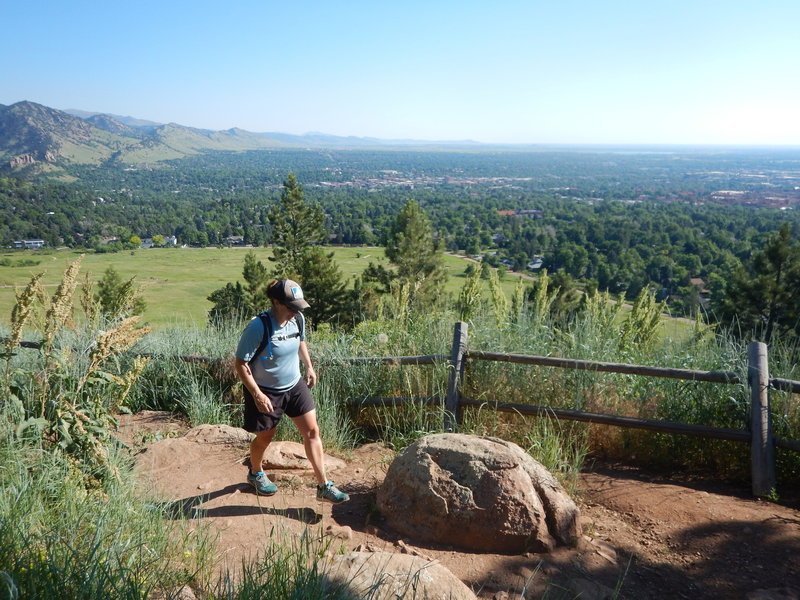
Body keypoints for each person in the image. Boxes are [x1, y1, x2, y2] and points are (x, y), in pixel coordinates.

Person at [234, 279, 349, 503]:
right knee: (265, 438)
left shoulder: (297, 318)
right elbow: (241, 364)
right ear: (276, 302)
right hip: (266, 391)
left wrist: (308, 366)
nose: (294, 312)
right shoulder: (258, 326)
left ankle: (323, 486)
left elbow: (300, 342)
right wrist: (257, 394)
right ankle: (255, 472)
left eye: (297, 307)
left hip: (294, 385)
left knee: (312, 432)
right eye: (290, 307)